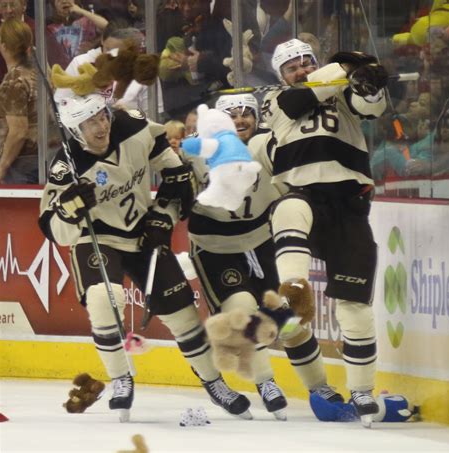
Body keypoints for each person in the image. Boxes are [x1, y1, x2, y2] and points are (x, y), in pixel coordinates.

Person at [38, 93, 251, 420]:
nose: (101, 125)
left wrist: (162, 217)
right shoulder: (66, 167)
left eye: (102, 116)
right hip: (98, 236)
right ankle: (122, 377)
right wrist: (69, 209)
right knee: (103, 298)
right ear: (74, 130)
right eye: (90, 121)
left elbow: (177, 176)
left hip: (142, 231)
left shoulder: (133, 127)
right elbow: (55, 231)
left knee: (183, 314)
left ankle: (213, 382)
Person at [260, 39, 388, 421]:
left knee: (354, 308)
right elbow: (307, 95)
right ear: (281, 77)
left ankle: (362, 391)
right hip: (304, 195)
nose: (300, 70)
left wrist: (368, 83)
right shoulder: (277, 101)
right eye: (292, 67)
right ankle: (294, 291)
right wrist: (349, 65)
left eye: (306, 62)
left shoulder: (342, 94)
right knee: (289, 209)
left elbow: (372, 107)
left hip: (349, 205)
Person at [186, 93, 289, 419]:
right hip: (215, 248)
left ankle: (318, 386)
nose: (241, 119)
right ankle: (266, 382)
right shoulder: (200, 150)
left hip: (260, 241)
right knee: (242, 307)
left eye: (247, 113)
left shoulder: (267, 145)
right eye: (233, 114)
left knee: (280, 316)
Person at [0, 19, 38, 184]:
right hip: (39, 157)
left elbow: (18, 132)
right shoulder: (38, 72)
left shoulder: (14, 80)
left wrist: (1, 167)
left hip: (20, 165)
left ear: (4, 46)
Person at [46, 0, 109, 65]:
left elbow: (107, 27)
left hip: (84, 66)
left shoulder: (86, 21)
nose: (64, 1)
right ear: (54, 5)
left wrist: (80, 10)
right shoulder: (49, 27)